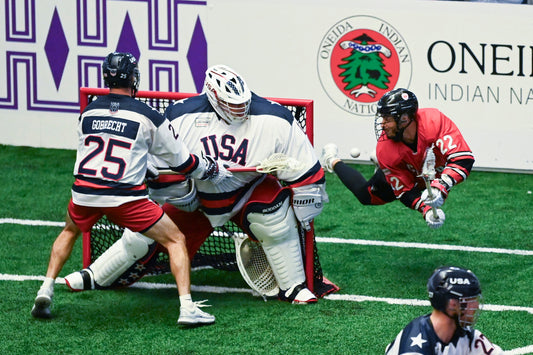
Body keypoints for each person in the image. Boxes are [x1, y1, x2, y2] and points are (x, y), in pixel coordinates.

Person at [64, 64, 338, 304]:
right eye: (231, 104)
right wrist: (181, 194)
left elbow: (306, 170)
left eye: (243, 102)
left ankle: (293, 286)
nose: (240, 109)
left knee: (275, 218)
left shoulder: (274, 118)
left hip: (248, 189)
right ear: (213, 99)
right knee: (143, 233)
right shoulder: (182, 115)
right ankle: (97, 276)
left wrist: (306, 206)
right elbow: (157, 167)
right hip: (197, 195)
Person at [31, 52, 230, 326]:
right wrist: (210, 169)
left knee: (69, 230)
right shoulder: (147, 115)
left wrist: (141, 163)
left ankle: (45, 289)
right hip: (126, 198)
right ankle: (187, 308)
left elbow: (96, 153)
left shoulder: (87, 112)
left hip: (84, 193)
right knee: (175, 240)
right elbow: (183, 162)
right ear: (134, 78)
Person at [321, 88, 475, 229]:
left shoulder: (434, 121)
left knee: (431, 182)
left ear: (405, 118)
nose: (383, 124)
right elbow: (405, 191)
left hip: (433, 173)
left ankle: (385, 167)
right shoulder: (385, 148)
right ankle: (331, 160)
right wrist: (426, 210)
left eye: (387, 119)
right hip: (407, 171)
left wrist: (441, 186)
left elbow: (463, 159)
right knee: (365, 196)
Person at [385, 266, 504, 354]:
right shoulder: (415, 348)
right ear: (453, 304)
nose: (476, 306)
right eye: (470, 300)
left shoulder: (467, 337)